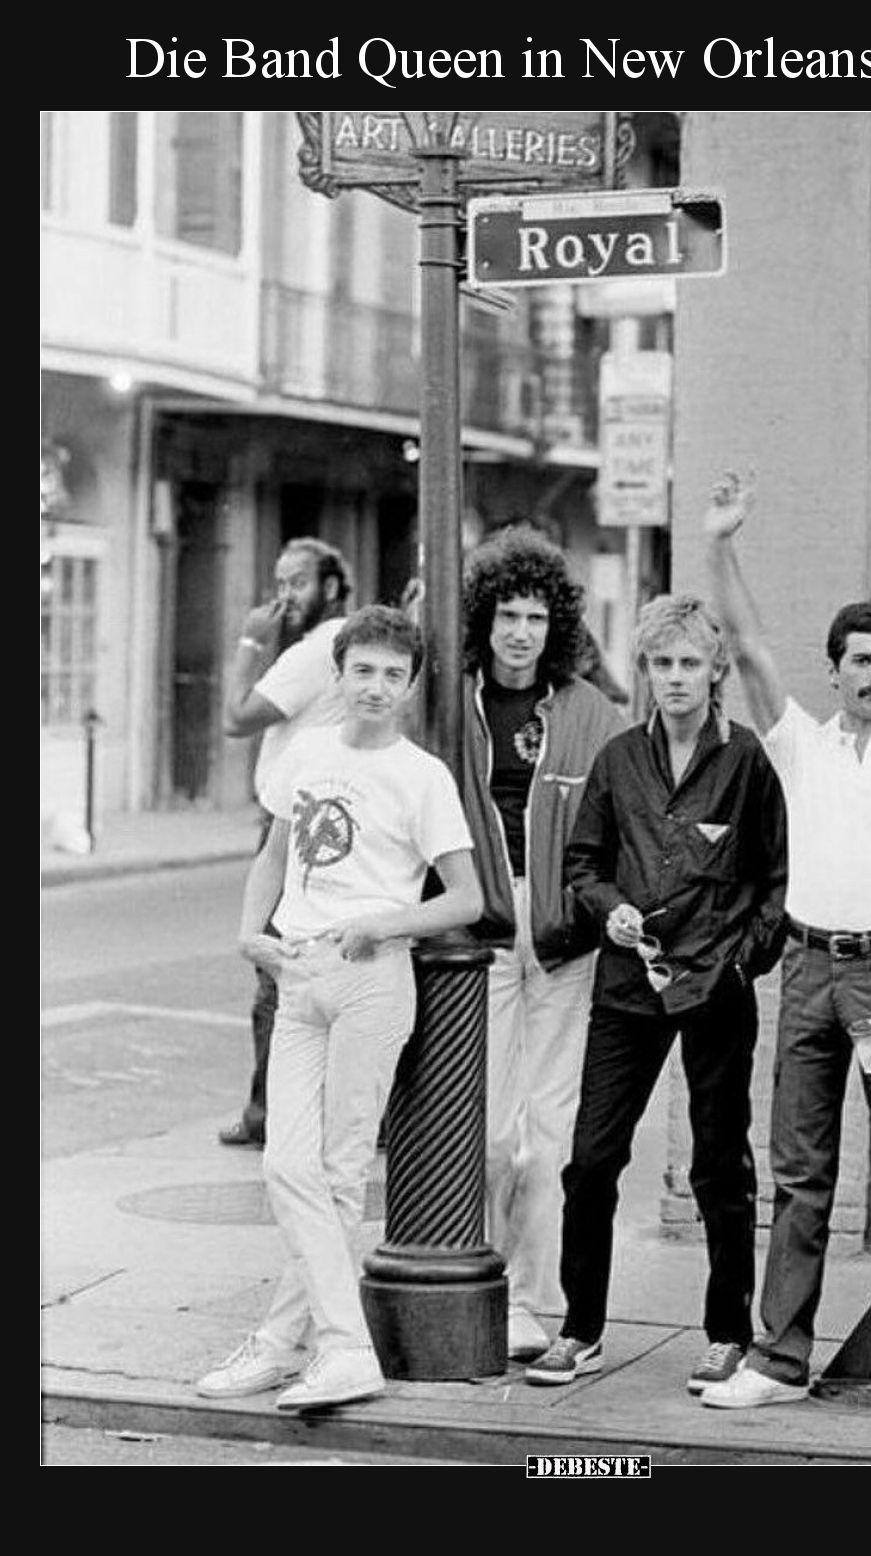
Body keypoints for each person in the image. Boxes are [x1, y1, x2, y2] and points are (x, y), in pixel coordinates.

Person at [697, 473, 871, 1431]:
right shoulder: (800, 746)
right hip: (808, 973)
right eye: (860, 661)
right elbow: (745, 645)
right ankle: (779, 1356)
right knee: (800, 1177)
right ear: (835, 669)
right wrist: (723, 542)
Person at [195, 605, 483, 1412]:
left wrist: (383, 922)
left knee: (340, 1173)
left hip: (372, 977)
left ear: (412, 686)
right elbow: (277, 853)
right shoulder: (311, 751)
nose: (378, 687)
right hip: (300, 975)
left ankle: (304, 1348)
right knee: (287, 1166)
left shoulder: (422, 776)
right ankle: (324, 1346)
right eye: (364, 671)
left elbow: (467, 896)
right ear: (342, 674)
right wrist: (251, 933)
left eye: (395, 675)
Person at [524, 594, 788, 1395]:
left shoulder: (745, 762)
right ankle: (580, 1329)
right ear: (643, 673)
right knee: (592, 1160)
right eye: (661, 664)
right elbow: (583, 864)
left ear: (715, 673)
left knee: (719, 1166)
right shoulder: (618, 760)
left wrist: (743, 962)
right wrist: (610, 912)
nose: (675, 679)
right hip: (629, 984)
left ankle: (726, 1334)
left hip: (715, 986)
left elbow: (776, 881)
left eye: (690, 665)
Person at [460, 526, 622, 1361]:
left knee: (548, 1131)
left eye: (533, 615)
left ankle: (530, 1296)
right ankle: (480, 1277)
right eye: (505, 614)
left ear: (554, 623)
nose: (519, 630)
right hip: (481, 928)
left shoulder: (588, 709)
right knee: (487, 1127)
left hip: (564, 934)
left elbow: (622, 813)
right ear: (481, 620)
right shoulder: (447, 705)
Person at [217, 537, 352, 1149]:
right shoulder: (335, 644)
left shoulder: (312, 652)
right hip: (322, 816)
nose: (283, 596)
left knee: (275, 969)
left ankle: (266, 1114)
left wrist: (248, 643)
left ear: (329, 587)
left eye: (297, 582)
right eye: (278, 582)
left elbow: (236, 717)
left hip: (291, 824)